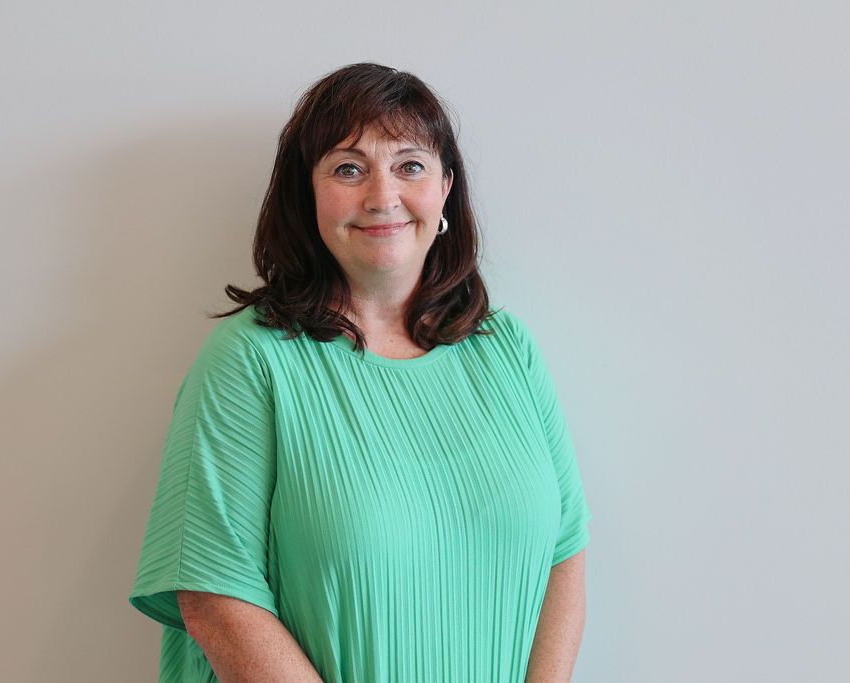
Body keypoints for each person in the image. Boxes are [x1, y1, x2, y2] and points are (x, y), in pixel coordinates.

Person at [128, 62, 593, 682]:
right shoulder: (249, 361)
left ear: (446, 188)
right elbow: (214, 597)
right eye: (348, 169)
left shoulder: (508, 348)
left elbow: (565, 553)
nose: (382, 196)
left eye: (410, 165)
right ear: (307, 195)